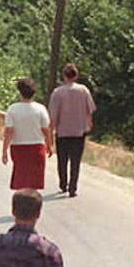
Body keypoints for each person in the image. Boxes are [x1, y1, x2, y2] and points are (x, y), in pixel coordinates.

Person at [48, 63, 96, 197]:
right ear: (76, 75)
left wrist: (51, 130)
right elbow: (89, 110)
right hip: (79, 131)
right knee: (76, 161)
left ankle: (63, 184)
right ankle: (73, 187)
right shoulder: (84, 90)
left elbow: (53, 114)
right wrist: (89, 123)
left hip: (62, 131)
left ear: (64, 76)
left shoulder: (58, 92)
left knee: (62, 160)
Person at [2, 78, 53, 190]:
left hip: (18, 148)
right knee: (34, 182)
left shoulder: (12, 109)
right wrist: (49, 145)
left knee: (21, 180)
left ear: (19, 92)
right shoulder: (40, 109)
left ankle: (21, 204)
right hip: (37, 148)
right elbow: (46, 130)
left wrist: (4, 150)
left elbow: (9, 131)